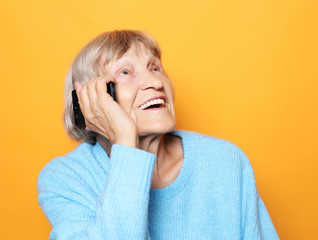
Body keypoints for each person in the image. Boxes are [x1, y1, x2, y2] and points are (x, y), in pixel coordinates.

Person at [37, 30, 279, 240]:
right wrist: (125, 142)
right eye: (125, 73)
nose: (155, 81)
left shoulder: (226, 161)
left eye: (155, 67)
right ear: (90, 102)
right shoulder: (64, 179)